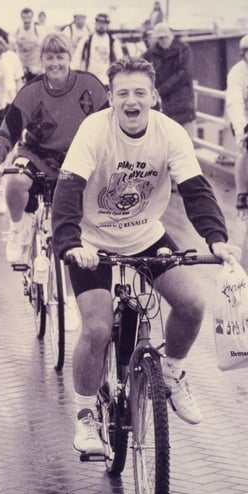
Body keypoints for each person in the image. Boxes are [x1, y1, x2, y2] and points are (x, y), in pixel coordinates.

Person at [52, 57, 239, 455]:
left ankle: (170, 371)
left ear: (154, 96)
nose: (131, 101)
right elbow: (67, 190)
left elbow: (196, 189)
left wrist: (216, 239)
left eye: (140, 92)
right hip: (92, 241)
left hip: (146, 236)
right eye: (122, 93)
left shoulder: (170, 133)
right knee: (98, 327)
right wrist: (69, 243)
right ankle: (86, 415)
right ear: (112, 98)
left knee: (192, 302)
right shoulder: (94, 131)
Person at [0, 33, 108, 264]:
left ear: (69, 57)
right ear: (42, 59)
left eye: (60, 56)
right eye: (49, 57)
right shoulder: (31, 90)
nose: (55, 62)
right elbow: (9, 129)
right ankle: (18, 229)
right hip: (37, 154)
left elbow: (110, 124)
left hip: (78, 157)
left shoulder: (90, 85)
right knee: (16, 182)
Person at [142, 23, 197, 138]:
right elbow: (140, 68)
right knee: (165, 143)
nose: (163, 41)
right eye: (160, 38)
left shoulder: (183, 49)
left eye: (165, 37)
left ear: (171, 35)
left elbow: (184, 73)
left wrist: (161, 89)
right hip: (163, 106)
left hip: (182, 103)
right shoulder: (151, 54)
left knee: (185, 141)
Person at [228, 35, 248, 232]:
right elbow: (235, 102)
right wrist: (241, 130)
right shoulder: (238, 73)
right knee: (245, 150)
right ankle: (242, 193)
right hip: (242, 117)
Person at [72, 13, 124, 87]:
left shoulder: (113, 41)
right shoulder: (86, 40)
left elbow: (120, 62)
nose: (101, 25)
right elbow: (76, 61)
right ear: (95, 23)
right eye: (99, 23)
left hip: (107, 81)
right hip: (89, 81)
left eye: (104, 23)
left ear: (108, 25)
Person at [13, 7, 44, 82]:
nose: (27, 20)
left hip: (35, 67)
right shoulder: (17, 31)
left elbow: (43, 47)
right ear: (21, 18)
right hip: (22, 67)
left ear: (32, 17)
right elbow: (13, 48)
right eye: (24, 17)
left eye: (29, 17)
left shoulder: (38, 30)